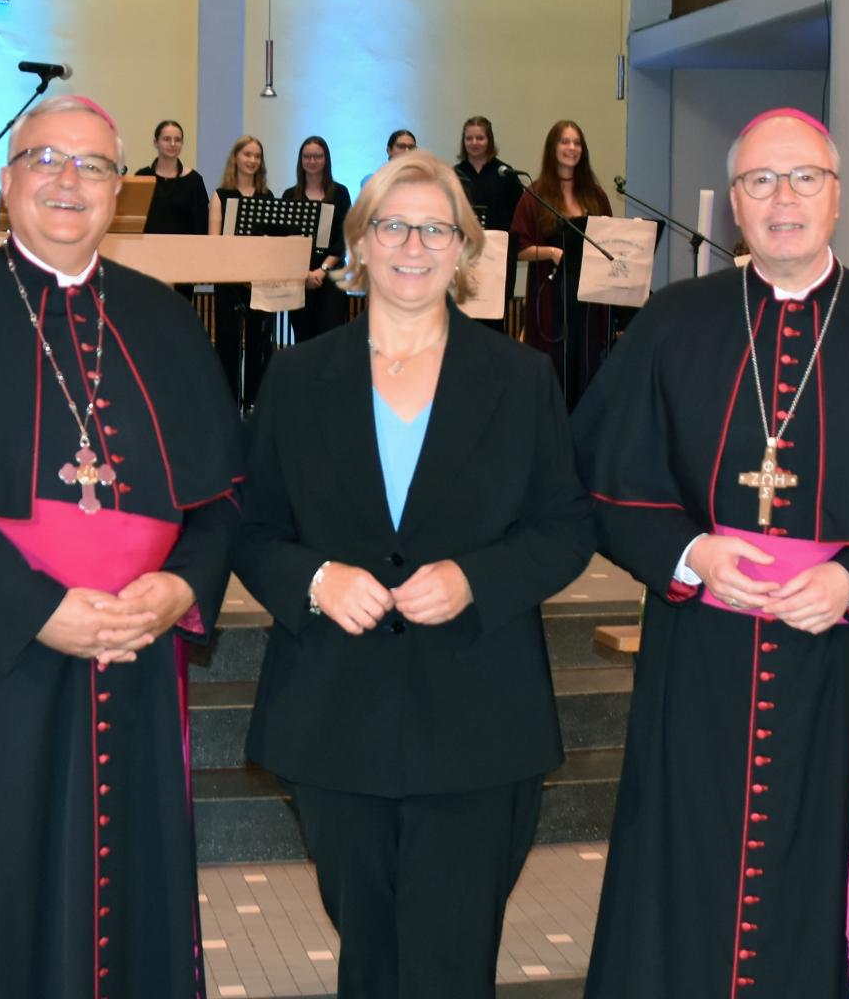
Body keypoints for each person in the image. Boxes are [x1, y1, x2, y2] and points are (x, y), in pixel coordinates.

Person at [572, 108, 849, 998]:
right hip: (703, 654)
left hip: (840, 653)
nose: (783, 199)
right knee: (685, 855)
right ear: (734, 203)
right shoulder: (674, 319)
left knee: (831, 862)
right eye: (761, 182)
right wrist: (690, 553)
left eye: (804, 178)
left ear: (838, 195)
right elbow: (602, 478)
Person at [0, 94, 243, 997]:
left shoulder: (165, 321)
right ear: (6, 181)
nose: (69, 182)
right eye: (46, 160)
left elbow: (223, 503)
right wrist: (42, 611)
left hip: (135, 661)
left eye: (94, 166)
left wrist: (181, 591)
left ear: (121, 191)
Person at [237, 149, 594, 998]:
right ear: (359, 244)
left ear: (467, 252)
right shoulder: (296, 378)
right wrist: (317, 579)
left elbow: (567, 527)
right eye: (392, 225)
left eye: (436, 228)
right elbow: (250, 530)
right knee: (368, 953)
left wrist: (477, 578)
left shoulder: (519, 378)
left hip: (477, 715)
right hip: (336, 713)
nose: (412, 244)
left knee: (449, 959)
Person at [510, 120, 618, 409]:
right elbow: (519, 249)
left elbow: (611, 240)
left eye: (577, 143)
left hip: (589, 297)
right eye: (565, 142)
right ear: (552, 148)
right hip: (551, 295)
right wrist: (552, 253)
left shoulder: (595, 195)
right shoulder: (535, 194)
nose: (571, 148)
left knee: (586, 366)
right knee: (555, 366)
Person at [210, 134, 276, 406]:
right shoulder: (221, 196)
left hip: (260, 281)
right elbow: (214, 242)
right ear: (235, 158)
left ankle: (254, 402)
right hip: (229, 280)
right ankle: (228, 402)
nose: (252, 160)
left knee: (260, 343)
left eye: (256, 156)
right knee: (228, 342)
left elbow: (272, 242)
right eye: (247, 154)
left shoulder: (267, 196)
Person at [280, 135, 352, 342]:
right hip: (299, 277)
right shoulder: (289, 195)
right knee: (303, 337)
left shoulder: (340, 193)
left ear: (326, 159)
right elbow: (285, 242)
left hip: (331, 275)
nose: (312, 161)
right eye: (307, 156)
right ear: (301, 160)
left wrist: (322, 270)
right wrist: (305, 273)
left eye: (317, 156)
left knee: (330, 338)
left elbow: (345, 236)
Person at [135, 119, 211, 237]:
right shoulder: (142, 176)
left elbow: (202, 225)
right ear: (156, 142)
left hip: (185, 251)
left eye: (178, 140)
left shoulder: (194, 180)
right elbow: (134, 221)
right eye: (166, 139)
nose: (173, 144)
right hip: (147, 249)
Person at [453, 116, 521, 233]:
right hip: (464, 242)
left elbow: (518, 215)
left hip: (499, 243)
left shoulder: (505, 173)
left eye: (480, 138)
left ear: (489, 140)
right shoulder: (454, 174)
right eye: (469, 138)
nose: (474, 143)